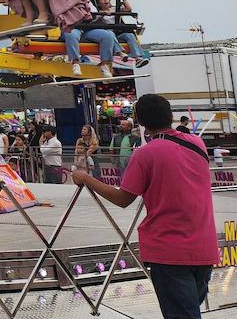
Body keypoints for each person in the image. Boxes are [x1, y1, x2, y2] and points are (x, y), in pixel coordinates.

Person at [71, 94, 215, 319]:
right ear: (171, 116)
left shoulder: (146, 154)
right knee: (189, 310)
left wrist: (85, 178)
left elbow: (123, 198)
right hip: (203, 246)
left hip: (168, 249)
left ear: (140, 121)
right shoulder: (197, 144)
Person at [91, 0, 152, 64]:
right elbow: (93, 21)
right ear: (98, 4)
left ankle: (138, 58)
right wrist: (102, 14)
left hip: (118, 33)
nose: (105, 0)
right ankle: (120, 53)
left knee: (130, 35)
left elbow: (128, 8)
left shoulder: (115, 9)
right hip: (108, 35)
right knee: (109, 33)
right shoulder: (99, 13)